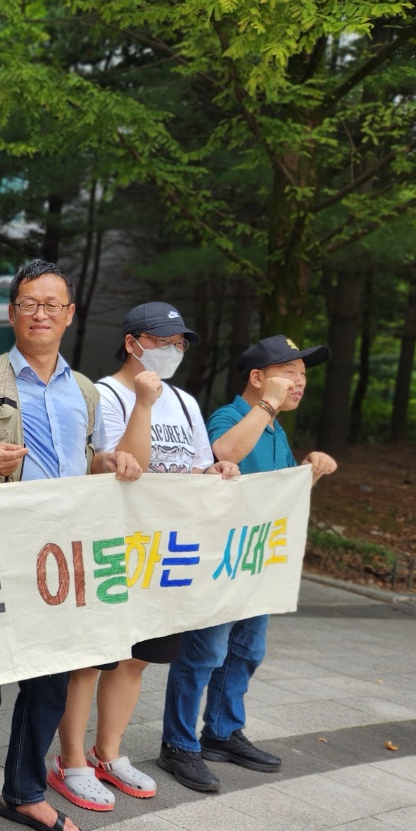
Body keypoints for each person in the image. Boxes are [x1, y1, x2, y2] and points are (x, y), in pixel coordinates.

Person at [0, 259, 141, 831]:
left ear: (69, 315)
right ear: (12, 312)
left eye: (52, 305)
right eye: (28, 303)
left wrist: (110, 462)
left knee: (49, 682)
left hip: (59, 557)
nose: (40, 314)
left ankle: (24, 793)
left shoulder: (87, 392)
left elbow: (89, 457)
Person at [49, 302, 240, 814]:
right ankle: (71, 761)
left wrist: (214, 473)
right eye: (162, 341)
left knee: (138, 657)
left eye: (180, 343)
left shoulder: (185, 402)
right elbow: (127, 466)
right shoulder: (103, 394)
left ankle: (108, 752)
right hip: (113, 545)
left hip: (163, 548)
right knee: (93, 659)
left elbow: (193, 467)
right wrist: (144, 404)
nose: (174, 350)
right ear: (133, 343)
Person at [158, 334, 338, 792]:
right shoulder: (231, 416)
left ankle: (222, 732)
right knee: (205, 653)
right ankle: (178, 744)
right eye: (289, 373)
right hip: (220, 563)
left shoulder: (276, 430)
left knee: (247, 650)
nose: (299, 383)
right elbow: (224, 455)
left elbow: (276, 498)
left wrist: (310, 473)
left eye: (303, 375)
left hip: (255, 561)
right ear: (257, 378)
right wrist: (268, 407)